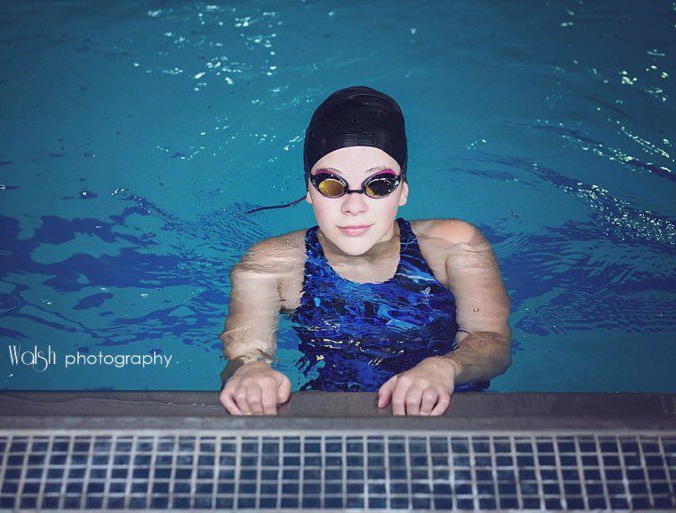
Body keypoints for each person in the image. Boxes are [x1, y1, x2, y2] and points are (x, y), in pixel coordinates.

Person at [219, 86, 512, 417]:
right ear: (309, 192)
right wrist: (250, 372)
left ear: (402, 191)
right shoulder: (271, 264)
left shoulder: (454, 246)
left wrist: (445, 368)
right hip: (335, 417)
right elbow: (246, 354)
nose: (354, 207)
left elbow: (492, 342)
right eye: (332, 185)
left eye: (379, 185)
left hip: (449, 412)